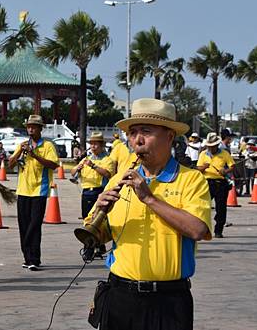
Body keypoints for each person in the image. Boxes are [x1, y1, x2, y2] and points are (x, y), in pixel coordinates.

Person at [86, 98, 212, 330]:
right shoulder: (118, 180)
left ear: (169, 136)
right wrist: (99, 213)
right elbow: (99, 236)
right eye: (133, 133)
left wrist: (149, 198)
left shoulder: (191, 180)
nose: (138, 140)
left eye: (146, 131)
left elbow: (198, 229)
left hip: (169, 300)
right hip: (120, 295)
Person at [8, 114, 59, 271]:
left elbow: (53, 165)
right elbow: (10, 164)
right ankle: (28, 258)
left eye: (34, 126)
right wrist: (19, 153)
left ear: (40, 129)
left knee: (34, 225)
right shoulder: (23, 144)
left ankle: (35, 258)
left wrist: (34, 154)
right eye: (29, 126)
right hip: (23, 190)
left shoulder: (47, 146)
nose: (30, 129)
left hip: (39, 190)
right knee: (23, 225)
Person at [197, 132, 235, 238]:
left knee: (221, 208)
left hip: (221, 183)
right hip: (207, 183)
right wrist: (204, 167)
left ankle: (219, 230)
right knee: (204, 207)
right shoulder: (203, 154)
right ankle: (204, 229)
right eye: (209, 146)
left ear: (217, 145)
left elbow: (232, 166)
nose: (211, 148)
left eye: (213, 146)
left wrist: (225, 171)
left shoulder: (224, 154)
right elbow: (198, 168)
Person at [70, 132, 113, 219]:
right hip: (86, 192)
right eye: (91, 144)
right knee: (86, 217)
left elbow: (107, 174)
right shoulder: (86, 159)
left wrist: (93, 166)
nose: (93, 146)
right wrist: (78, 168)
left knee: (98, 219)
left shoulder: (107, 160)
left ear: (102, 145)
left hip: (99, 192)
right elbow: (72, 172)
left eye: (95, 144)